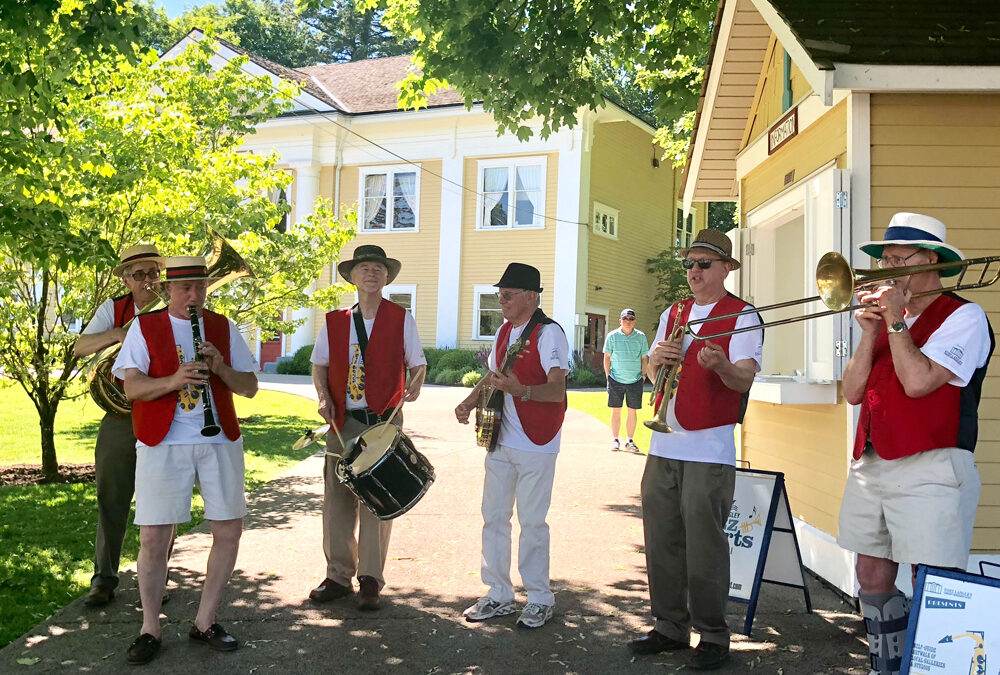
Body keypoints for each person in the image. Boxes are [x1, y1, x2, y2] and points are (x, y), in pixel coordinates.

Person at [837, 213, 994, 675]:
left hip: (932, 462)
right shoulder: (888, 321)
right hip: (873, 460)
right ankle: (887, 666)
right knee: (870, 573)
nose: (886, 268)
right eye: (883, 259)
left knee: (930, 579)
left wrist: (894, 324)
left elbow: (920, 382)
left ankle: (934, 667)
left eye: (897, 258)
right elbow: (851, 393)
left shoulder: (964, 316)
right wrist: (870, 335)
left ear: (931, 260)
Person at [113, 255, 259, 665]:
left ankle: (205, 620)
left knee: (229, 531)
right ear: (167, 291)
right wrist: (175, 380)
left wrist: (221, 368)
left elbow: (249, 387)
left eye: (200, 286)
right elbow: (133, 388)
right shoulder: (145, 327)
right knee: (153, 538)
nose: (193, 295)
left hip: (219, 439)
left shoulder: (223, 327)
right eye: (184, 288)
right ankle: (149, 627)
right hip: (163, 441)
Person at [629, 229, 762, 671]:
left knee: (704, 544)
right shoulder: (674, 312)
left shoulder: (742, 315)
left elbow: (744, 378)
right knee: (660, 536)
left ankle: (712, 634)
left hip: (709, 445)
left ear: (725, 268)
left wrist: (721, 365)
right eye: (689, 264)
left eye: (704, 264)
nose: (694, 272)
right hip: (665, 439)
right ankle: (669, 625)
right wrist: (657, 361)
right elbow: (650, 371)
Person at [309, 245, 426, 611]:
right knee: (338, 499)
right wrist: (323, 397)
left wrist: (416, 384)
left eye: (378, 268)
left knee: (378, 498)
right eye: (364, 268)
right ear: (353, 276)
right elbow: (320, 366)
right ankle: (337, 576)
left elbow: (417, 365)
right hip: (342, 421)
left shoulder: (401, 318)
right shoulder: (334, 321)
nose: (371, 273)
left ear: (386, 277)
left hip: (383, 421)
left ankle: (371, 580)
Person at [454, 263, 569, 630]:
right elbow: (493, 376)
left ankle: (538, 598)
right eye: (499, 294)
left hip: (538, 440)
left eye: (507, 294)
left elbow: (558, 389)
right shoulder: (505, 331)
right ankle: (499, 594)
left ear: (531, 297)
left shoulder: (550, 333)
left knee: (533, 522)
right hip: (501, 438)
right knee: (494, 517)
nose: (500, 300)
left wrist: (522, 391)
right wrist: (470, 401)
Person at [74, 244, 165, 607]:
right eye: (138, 274)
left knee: (160, 501)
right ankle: (103, 578)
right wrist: (117, 334)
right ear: (126, 280)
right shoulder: (114, 309)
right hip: (119, 416)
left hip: (161, 413)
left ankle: (159, 579)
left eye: (153, 273)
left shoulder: (173, 311)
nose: (147, 280)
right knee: (111, 498)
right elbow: (79, 346)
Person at [603, 308, 649, 453]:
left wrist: (643, 375)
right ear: (620, 321)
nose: (628, 322)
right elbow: (607, 357)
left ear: (634, 322)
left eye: (630, 319)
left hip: (635, 380)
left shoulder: (641, 337)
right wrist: (608, 375)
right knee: (616, 411)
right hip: (615, 379)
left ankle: (629, 440)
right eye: (625, 319)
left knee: (632, 411)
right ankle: (615, 439)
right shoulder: (612, 336)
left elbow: (644, 358)